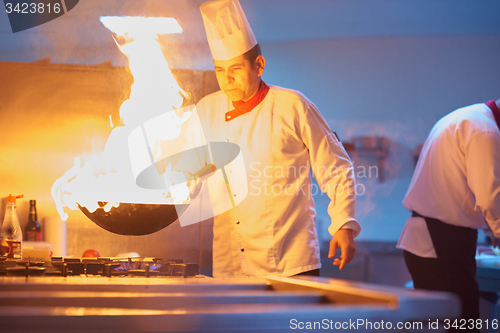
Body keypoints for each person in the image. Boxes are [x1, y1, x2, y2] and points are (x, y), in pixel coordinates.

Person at [195, 0, 360, 278]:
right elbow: (191, 171)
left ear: (258, 65)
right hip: (229, 261)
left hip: (289, 262)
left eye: (234, 69)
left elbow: (336, 168)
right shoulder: (207, 109)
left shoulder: (293, 105)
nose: (227, 80)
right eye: (219, 70)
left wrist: (343, 224)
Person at [397, 99, 500, 328]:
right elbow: (490, 195)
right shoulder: (485, 130)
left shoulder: (466, 117)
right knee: (461, 323)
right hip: (441, 241)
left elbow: (462, 188)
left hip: (430, 237)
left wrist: (492, 226)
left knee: (448, 322)